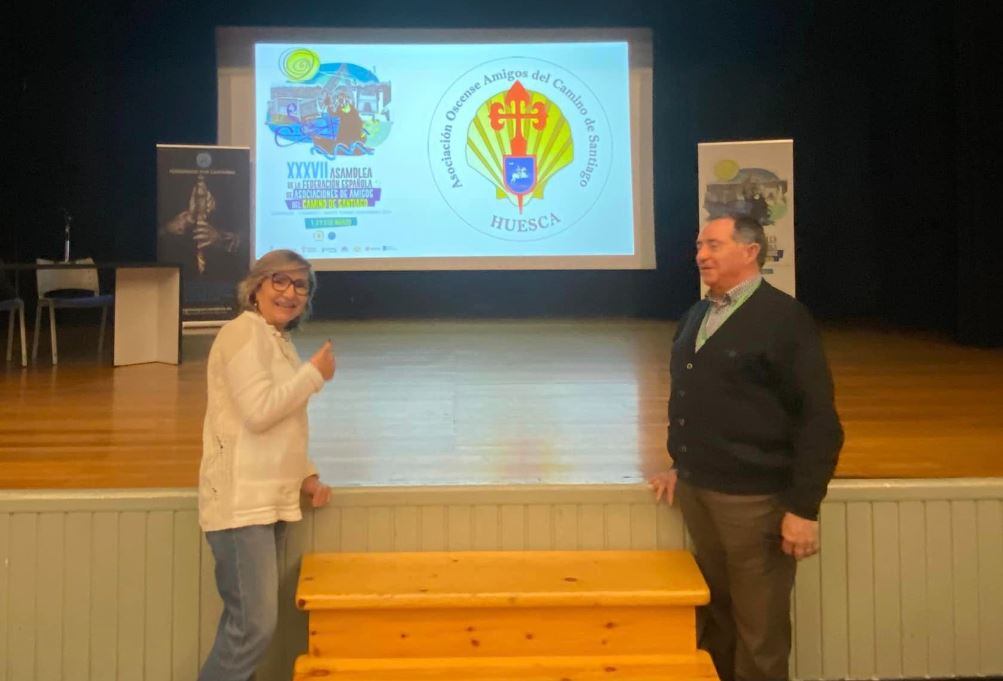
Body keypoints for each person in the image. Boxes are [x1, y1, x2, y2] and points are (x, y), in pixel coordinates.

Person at [650, 215, 843, 681]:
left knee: (760, 634)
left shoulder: (783, 319)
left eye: (713, 244)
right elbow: (699, 399)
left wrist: (803, 508)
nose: (700, 254)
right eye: (699, 245)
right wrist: (682, 463)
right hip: (698, 492)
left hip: (755, 504)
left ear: (750, 251)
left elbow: (820, 421)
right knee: (718, 620)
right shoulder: (697, 314)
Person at [198, 249, 335, 681]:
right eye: (280, 280)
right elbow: (259, 411)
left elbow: (284, 425)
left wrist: (306, 476)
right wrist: (314, 375)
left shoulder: (275, 340)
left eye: (300, 285)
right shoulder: (241, 333)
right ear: (255, 286)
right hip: (241, 506)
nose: (290, 292)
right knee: (253, 629)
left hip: (264, 502)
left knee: (246, 628)